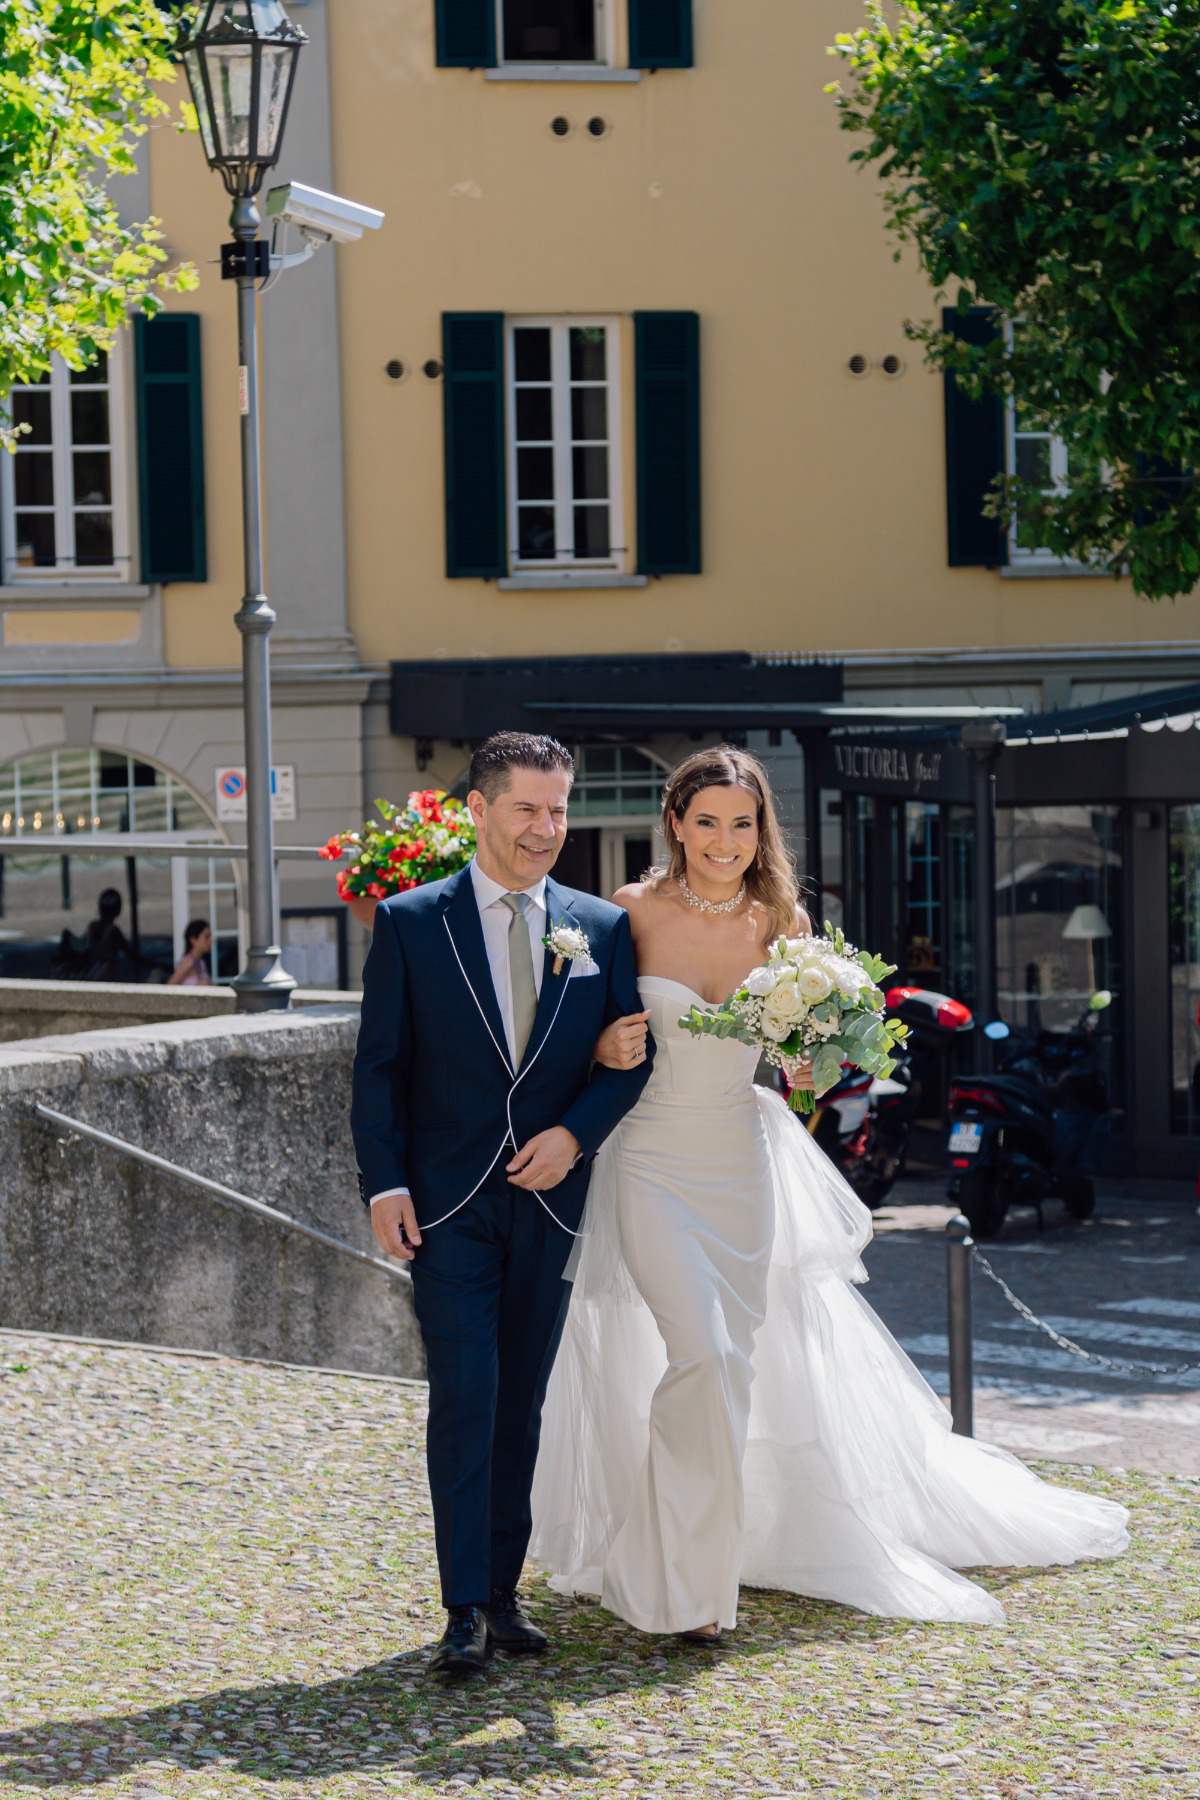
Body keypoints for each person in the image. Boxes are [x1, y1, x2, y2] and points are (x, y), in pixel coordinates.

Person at [530, 746, 1128, 1638]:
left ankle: (689, 1557)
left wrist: (810, 1054)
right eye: (706, 823)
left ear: (760, 829)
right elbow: (582, 1037)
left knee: (729, 1358)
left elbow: (801, 1068)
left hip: (740, 1160)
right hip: (649, 1158)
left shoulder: (784, 920)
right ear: (675, 824)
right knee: (704, 1354)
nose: (724, 842)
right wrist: (604, 1052)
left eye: (742, 824)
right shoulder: (628, 914)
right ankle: (680, 1584)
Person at [352, 732, 653, 1676]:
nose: (547, 828)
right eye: (527, 808)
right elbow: (380, 1070)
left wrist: (575, 1136)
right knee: (467, 1394)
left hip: (553, 1206)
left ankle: (503, 1593)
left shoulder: (601, 928)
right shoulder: (410, 920)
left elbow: (630, 1059)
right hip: (445, 1207)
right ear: (477, 810)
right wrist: (385, 1183)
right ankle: (460, 1607)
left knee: (520, 1400)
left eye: (559, 809)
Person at [167, 919, 213, 986]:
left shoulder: (201, 962)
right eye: (206, 937)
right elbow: (169, 987)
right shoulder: (188, 963)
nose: (211, 941)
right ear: (193, 940)